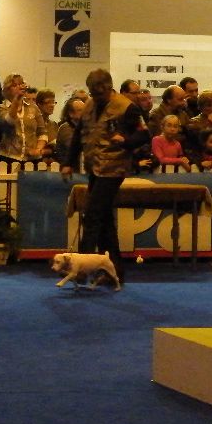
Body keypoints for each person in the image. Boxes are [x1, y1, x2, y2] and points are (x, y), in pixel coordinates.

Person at [61, 69, 148, 285]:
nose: (96, 97)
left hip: (114, 168)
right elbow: (78, 135)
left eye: (99, 93)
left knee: (92, 215)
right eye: (93, 93)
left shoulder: (127, 107)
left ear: (110, 87)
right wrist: (68, 162)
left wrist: (126, 141)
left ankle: (81, 268)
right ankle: (115, 271)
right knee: (104, 220)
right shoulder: (89, 105)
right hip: (94, 168)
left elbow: (144, 134)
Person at [0, 73, 48, 165]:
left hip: (33, 159)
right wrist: (17, 99)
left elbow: (42, 132)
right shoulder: (1, 108)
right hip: (9, 157)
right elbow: (9, 122)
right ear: (7, 90)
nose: (19, 87)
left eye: (21, 84)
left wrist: (38, 149)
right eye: (14, 85)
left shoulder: (33, 107)